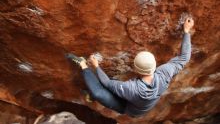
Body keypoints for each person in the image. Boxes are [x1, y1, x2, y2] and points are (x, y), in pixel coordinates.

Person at [66, 17, 194, 117]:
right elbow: (184, 58)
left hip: (128, 108)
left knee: (99, 93)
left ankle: (82, 64)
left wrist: (96, 66)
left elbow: (107, 83)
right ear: (154, 66)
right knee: (111, 91)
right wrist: (186, 31)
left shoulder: (131, 88)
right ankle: (91, 94)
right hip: (142, 105)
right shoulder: (164, 73)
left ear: (136, 70)